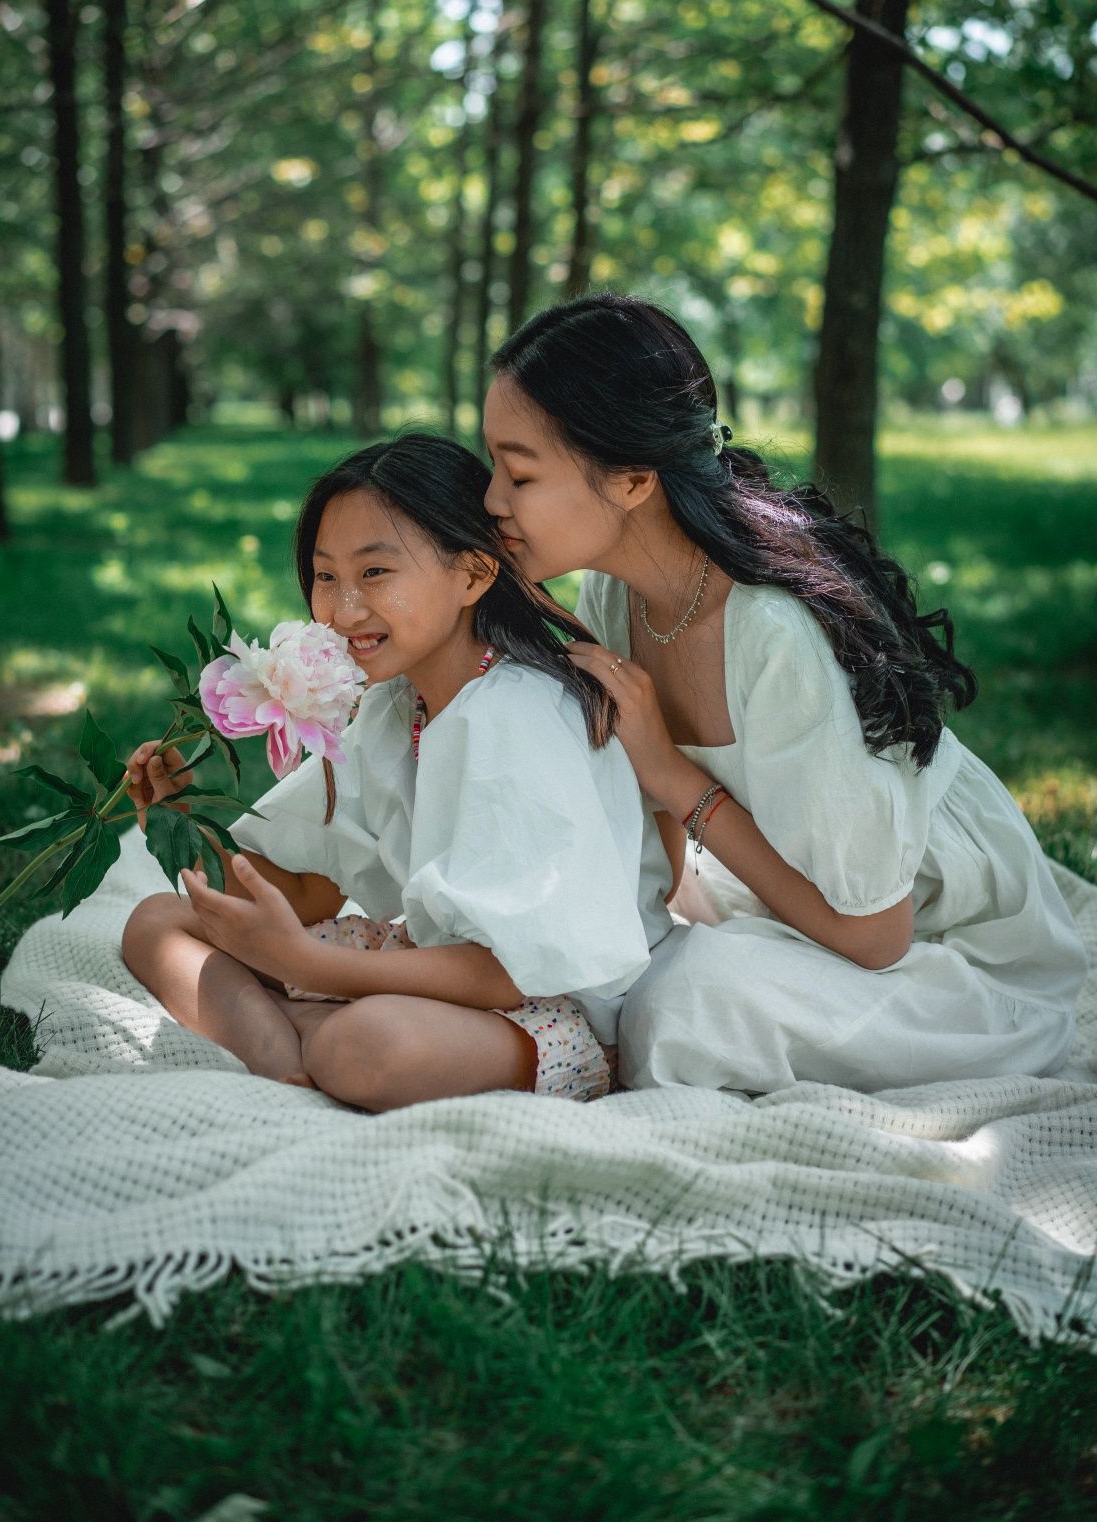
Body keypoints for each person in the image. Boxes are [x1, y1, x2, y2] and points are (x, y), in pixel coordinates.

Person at [482, 292, 1087, 1094]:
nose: (491, 500)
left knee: (687, 1005)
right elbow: (651, 850)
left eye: (518, 472)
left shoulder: (773, 634)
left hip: (943, 953)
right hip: (794, 898)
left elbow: (876, 937)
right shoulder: (610, 597)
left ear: (630, 480)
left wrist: (672, 777)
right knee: (598, 961)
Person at [121, 433, 671, 1110]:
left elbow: (508, 973)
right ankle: (289, 1059)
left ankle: (292, 1039)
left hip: (548, 1015)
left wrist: (303, 965)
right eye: (326, 576)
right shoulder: (394, 704)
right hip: (428, 969)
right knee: (155, 922)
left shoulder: (519, 715)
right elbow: (306, 891)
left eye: (375, 574)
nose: (343, 610)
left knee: (370, 1045)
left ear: (472, 574)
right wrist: (181, 816)